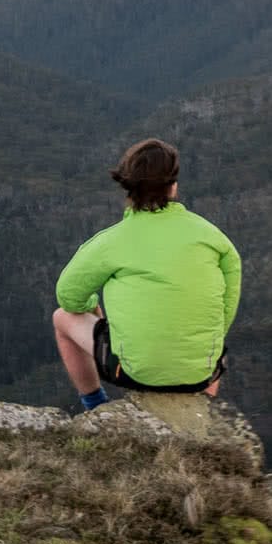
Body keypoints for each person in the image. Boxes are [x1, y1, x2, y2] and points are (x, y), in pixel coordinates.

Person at [52, 136, 241, 413]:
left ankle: (94, 404)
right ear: (173, 186)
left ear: (127, 187)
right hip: (202, 373)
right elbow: (226, 308)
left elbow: (68, 297)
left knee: (62, 318)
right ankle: (200, 412)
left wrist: (93, 309)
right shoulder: (215, 239)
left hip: (133, 373)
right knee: (208, 339)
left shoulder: (111, 241)